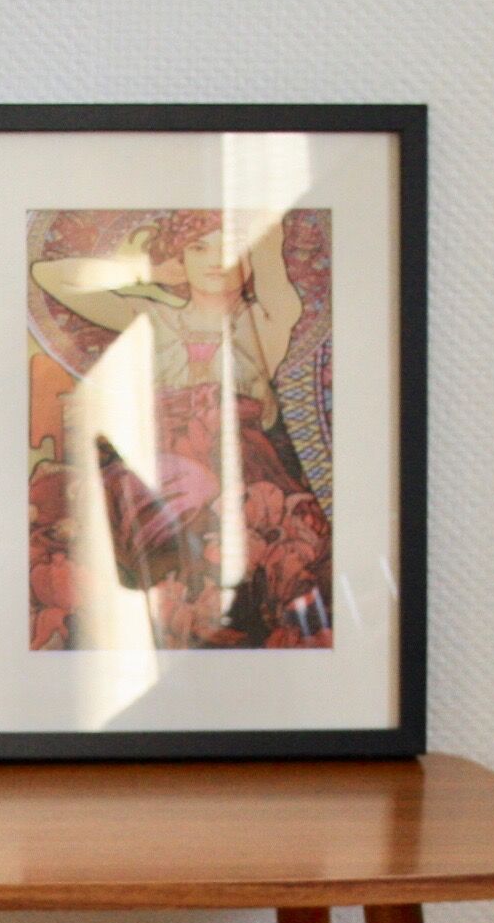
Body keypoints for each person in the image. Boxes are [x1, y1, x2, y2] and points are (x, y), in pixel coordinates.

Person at [30, 211, 331, 650]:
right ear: (179, 258)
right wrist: (149, 270)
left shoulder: (263, 324)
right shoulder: (151, 317)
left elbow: (270, 249)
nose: (215, 260)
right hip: (150, 480)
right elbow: (49, 275)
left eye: (229, 247)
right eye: (198, 247)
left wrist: (261, 238)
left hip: (239, 476)